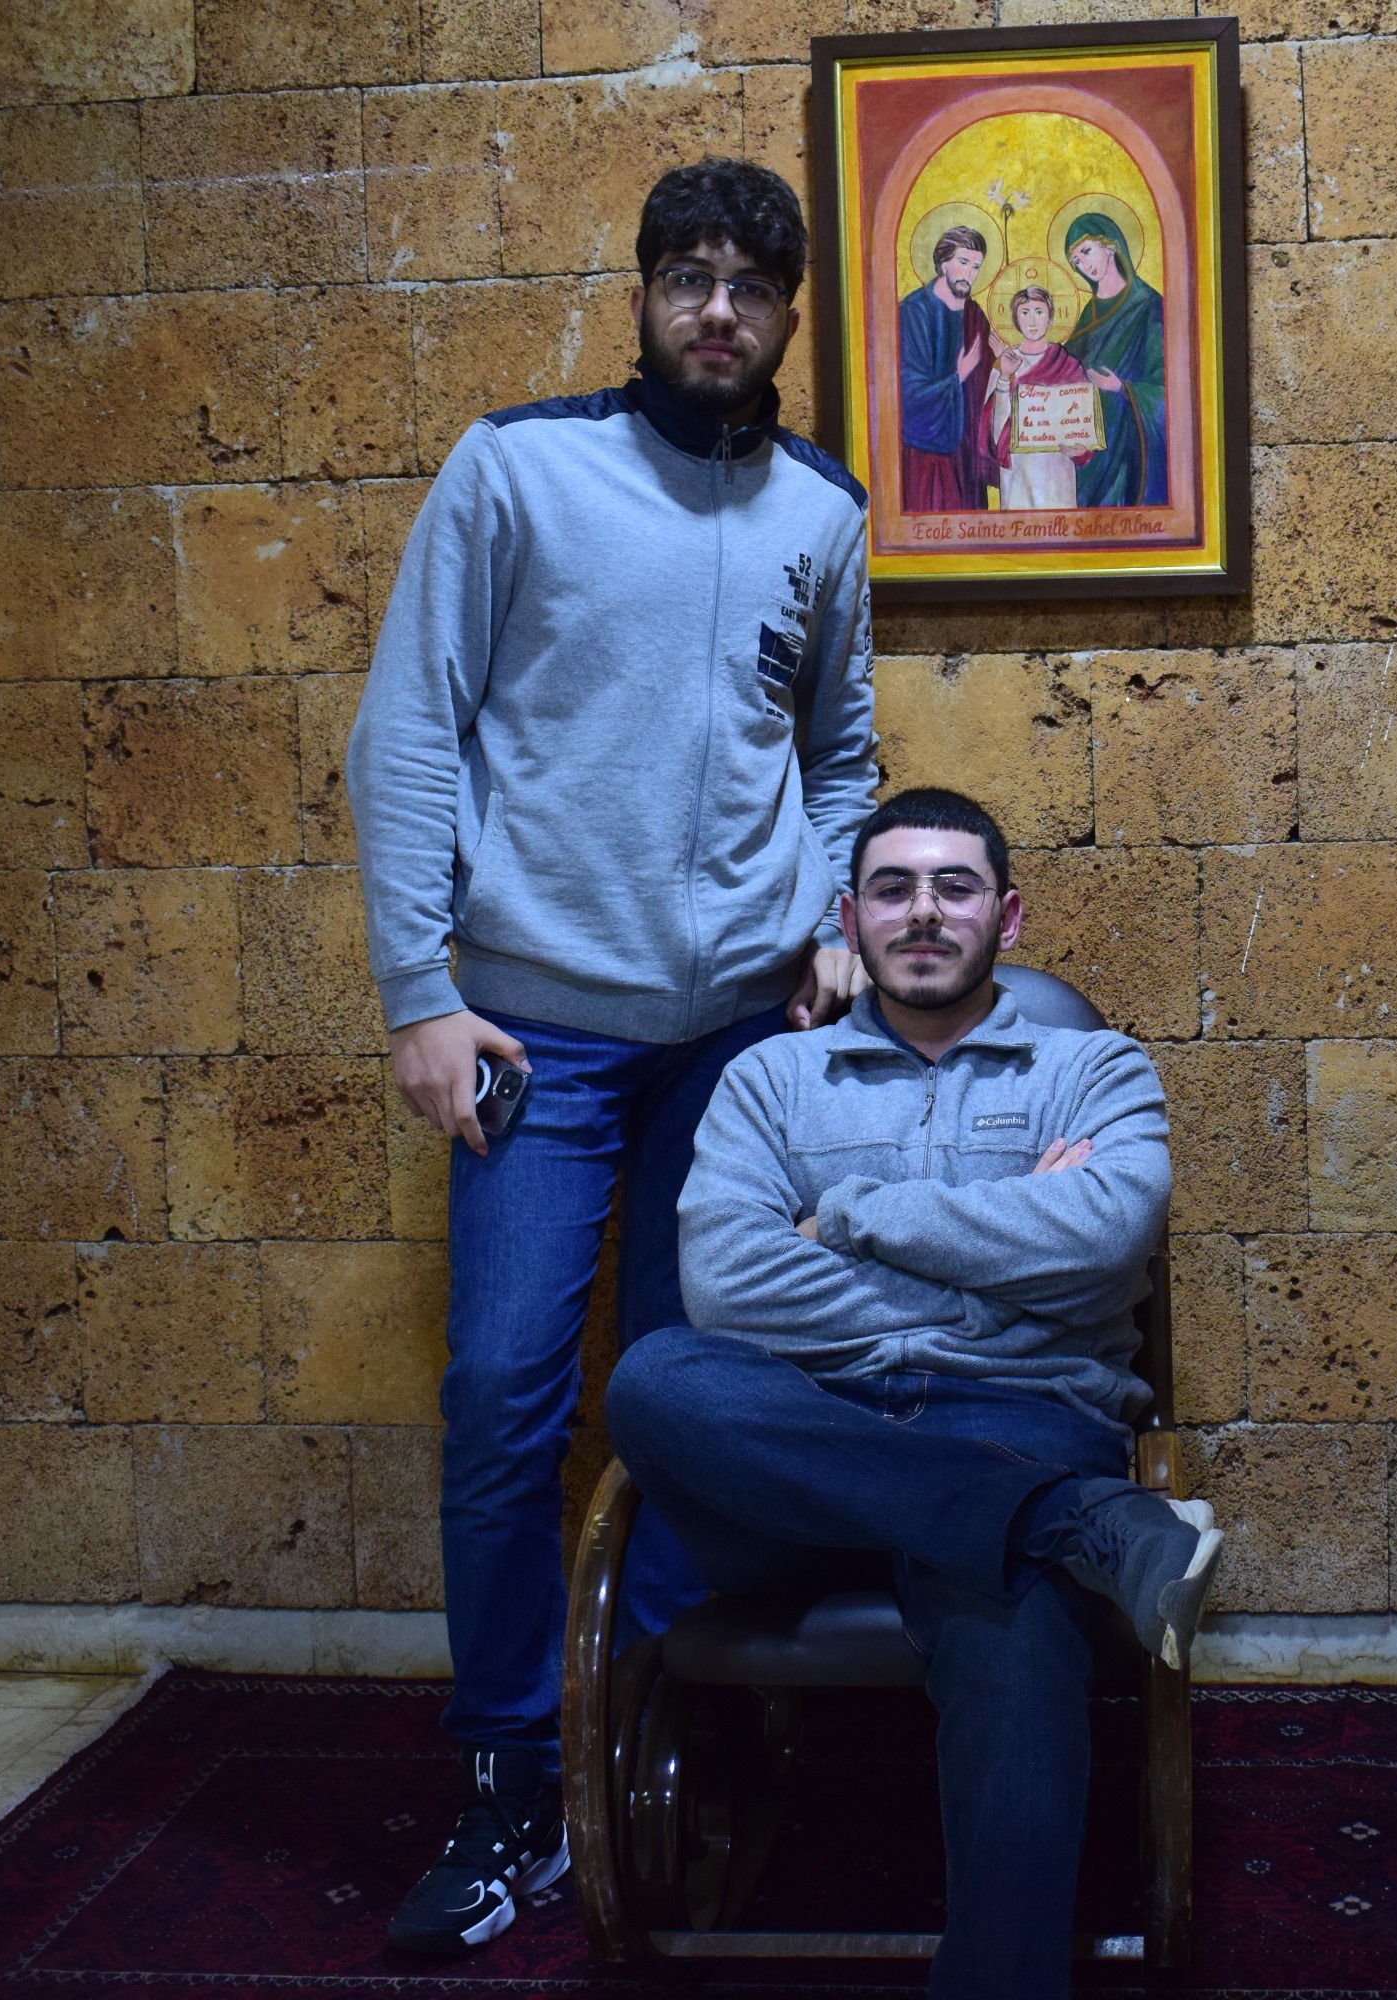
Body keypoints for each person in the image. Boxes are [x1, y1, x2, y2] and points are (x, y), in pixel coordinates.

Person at [345, 156, 877, 1958]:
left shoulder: (823, 508)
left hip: (734, 1040)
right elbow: (408, 731)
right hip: (537, 1033)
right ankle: (513, 1775)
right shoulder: (516, 470)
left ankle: (649, 1714)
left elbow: (841, 754)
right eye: (687, 277)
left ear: (789, 316)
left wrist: (827, 922)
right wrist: (418, 994)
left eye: (752, 285)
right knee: (506, 1393)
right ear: (642, 295)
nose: (718, 310)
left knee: (685, 1399)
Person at [605, 786, 1222, 2000]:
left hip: (1016, 1419)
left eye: (954, 886)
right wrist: (1008, 1272)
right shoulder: (771, 1080)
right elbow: (727, 1283)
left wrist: (847, 1217)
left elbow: (1104, 1242)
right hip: (799, 1450)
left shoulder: (1094, 1069)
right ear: (850, 917)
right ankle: (1067, 1521)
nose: (924, 911)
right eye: (893, 888)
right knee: (659, 1375)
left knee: (1014, 1627)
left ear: (1007, 914)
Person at [1060, 213, 1170, 510]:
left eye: (1086, 251)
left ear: (1110, 246)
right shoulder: (1090, 312)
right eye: (1076, 262)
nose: (1084, 265)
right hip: (1090, 440)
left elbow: (1167, 386)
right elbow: (1066, 365)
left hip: (1127, 440)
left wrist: (1122, 387)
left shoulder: (1148, 306)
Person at [898, 225, 995, 511]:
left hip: (967, 453)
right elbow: (906, 394)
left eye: (976, 267)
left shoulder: (975, 315)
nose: (969, 274)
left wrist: (1002, 367)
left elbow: (988, 383)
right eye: (963, 262)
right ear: (943, 263)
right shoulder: (913, 312)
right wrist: (958, 377)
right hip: (929, 453)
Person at [981, 281, 1091, 511]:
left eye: (1039, 312)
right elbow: (996, 430)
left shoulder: (1068, 365)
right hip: (1018, 469)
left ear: (1050, 317)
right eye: (1025, 312)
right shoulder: (1004, 362)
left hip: (1056, 468)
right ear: (1016, 319)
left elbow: (1083, 426)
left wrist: (1080, 448)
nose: (1032, 321)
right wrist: (1005, 377)